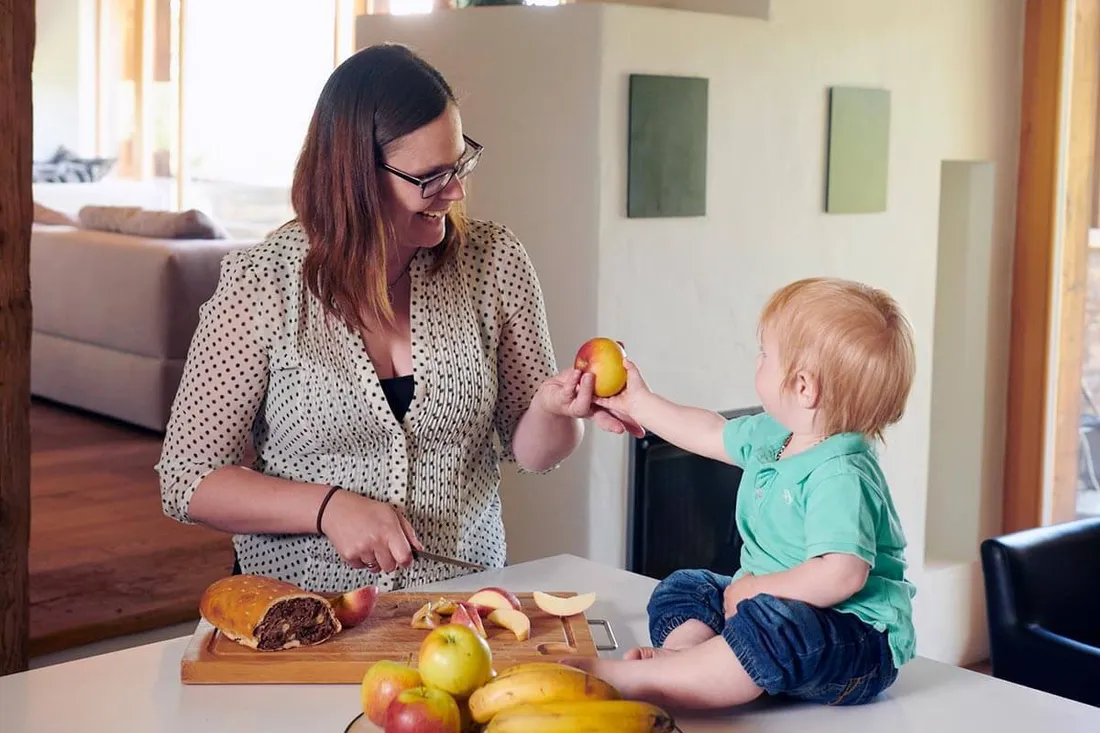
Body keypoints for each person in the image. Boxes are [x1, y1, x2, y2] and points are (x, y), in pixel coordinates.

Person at [155, 43, 639, 594]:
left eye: (459, 164)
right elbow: (188, 480)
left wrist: (555, 410)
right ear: (355, 177)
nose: (455, 192)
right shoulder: (262, 283)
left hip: (463, 605)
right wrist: (327, 508)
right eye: (431, 176)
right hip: (306, 609)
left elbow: (534, 453)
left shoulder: (495, 262)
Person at [564, 277, 917, 710]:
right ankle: (688, 660)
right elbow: (709, 431)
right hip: (767, 608)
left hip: (851, 640)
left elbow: (841, 574)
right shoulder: (777, 436)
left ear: (804, 387)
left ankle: (643, 680)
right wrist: (639, 402)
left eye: (766, 354)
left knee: (771, 626)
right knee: (686, 587)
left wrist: (756, 591)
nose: (758, 360)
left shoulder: (840, 472)